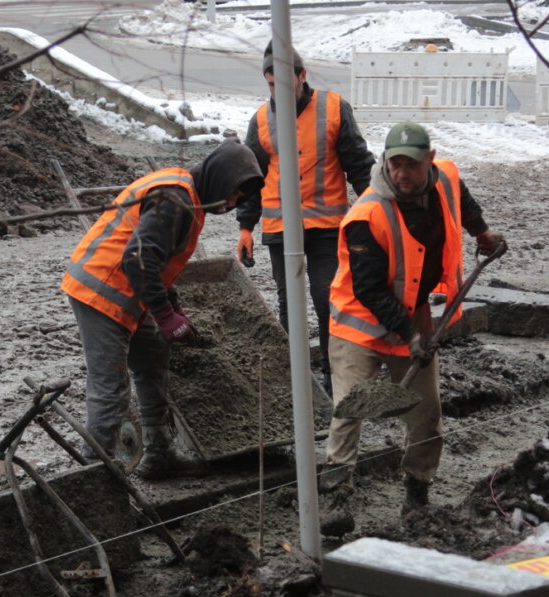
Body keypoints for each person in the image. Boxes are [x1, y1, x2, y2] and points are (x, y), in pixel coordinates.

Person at [319, 121, 506, 535]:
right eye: (395, 164)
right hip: (359, 323)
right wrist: (411, 335)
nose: (403, 174)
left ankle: (417, 490)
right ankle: (335, 498)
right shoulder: (365, 216)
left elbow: (464, 202)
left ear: (430, 162)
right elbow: (368, 289)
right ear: (385, 163)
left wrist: (483, 233)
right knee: (350, 408)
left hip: (414, 312)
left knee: (425, 412)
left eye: (412, 165)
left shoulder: (446, 179)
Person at [61, 139, 264, 479]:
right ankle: (93, 476)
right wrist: (166, 316)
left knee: (153, 361)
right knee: (110, 387)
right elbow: (138, 258)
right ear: (219, 176)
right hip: (100, 289)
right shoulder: (178, 200)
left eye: (238, 201)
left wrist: (171, 305)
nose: (231, 204)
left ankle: (159, 454)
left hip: (131, 288)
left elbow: (158, 260)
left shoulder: (188, 195)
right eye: (232, 194)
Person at [235, 42, 375, 395]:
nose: (277, 90)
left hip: (327, 228)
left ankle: (333, 375)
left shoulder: (333, 108)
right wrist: (245, 227)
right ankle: (296, 379)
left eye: (283, 80)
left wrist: (376, 210)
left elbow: (359, 165)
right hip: (281, 229)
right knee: (290, 306)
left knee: (327, 298)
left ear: (301, 76)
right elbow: (252, 178)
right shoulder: (262, 119)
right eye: (270, 84)